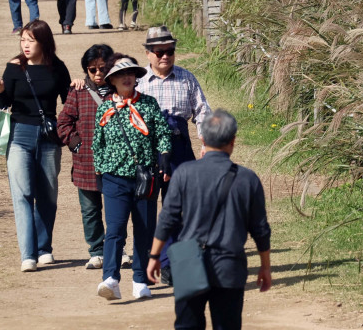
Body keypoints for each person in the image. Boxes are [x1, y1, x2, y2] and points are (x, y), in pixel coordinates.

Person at [147, 110, 272, 330]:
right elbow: (260, 229)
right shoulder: (247, 179)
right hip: (229, 263)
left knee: (187, 325)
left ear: (203, 139)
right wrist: (265, 266)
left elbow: (168, 218)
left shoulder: (184, 173)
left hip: (187, 260)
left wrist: (155, 256)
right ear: (233, 141)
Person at [0, 20, 72, 272]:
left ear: (44, 42)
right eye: (23, 39)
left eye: (31, 40)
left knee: (47, 195)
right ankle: (28, 254)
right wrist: (0, 91)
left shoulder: (57, 68)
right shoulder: (13, 68)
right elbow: (4, 104)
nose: (25, 45)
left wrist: (79, 86)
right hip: (19, 135)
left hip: (49, 137)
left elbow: (68, 103)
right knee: (23, 193)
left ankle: (44, 249)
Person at [136, 25, 213, 285]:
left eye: (169, 51)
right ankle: (147, 262)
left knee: (180, 207)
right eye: (158, 52)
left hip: (179, 146)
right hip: (147, 148)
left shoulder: (187, 78)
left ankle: (175, 263)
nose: (164, 56)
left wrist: (206, 141)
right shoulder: (137, 81)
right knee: (145, 205)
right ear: (148, 53)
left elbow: (202, 112)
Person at [92, 54, 172, 302]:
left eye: (131, 74)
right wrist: (100, 171)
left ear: (136, 79)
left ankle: (139, 280)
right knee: (115, 230)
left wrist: (165, 157)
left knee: (144, 229)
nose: (126, 78)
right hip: (114, 178)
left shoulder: (149, 104)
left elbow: (162, 134)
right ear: (112, 81)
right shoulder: (105, 108)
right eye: (120, 75)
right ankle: (110, 279)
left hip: (144, 178)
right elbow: (98, 143)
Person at [56, 44, 115, 269]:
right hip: (85, 163)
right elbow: (64, 122)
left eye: (103, 68)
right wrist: (77, 145)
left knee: (116, 209)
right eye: (92, 70)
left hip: (116, 163)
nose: (98, 74)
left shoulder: (120, 90)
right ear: (86, 70)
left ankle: (116, 249)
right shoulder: (77, 92)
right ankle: (97, 250)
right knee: (90, 210)